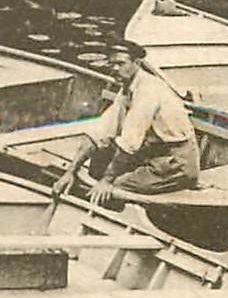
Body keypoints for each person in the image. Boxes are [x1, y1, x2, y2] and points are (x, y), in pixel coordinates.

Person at [53, 43, 200, 203]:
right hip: (151, 153)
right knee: (98, 162)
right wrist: (70, 171)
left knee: (117, 186)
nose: (115, 69)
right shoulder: (127, 88)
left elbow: (130, 142)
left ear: (136, 64)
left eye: (121, 63)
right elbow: (100, 131)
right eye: (112, 64)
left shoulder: (148, 90)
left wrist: (106, 181)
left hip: (176, 163)